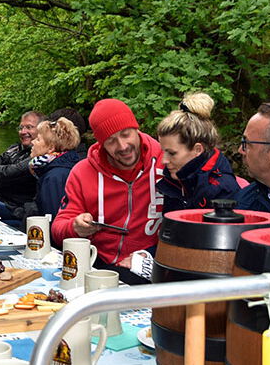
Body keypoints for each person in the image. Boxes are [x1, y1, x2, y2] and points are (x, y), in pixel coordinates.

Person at [51, 99, 164, 285]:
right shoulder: (82, 172)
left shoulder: (165, 160)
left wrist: (149, 255)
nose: (122, 146)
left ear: (137, 129)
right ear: (101, 143)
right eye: (111, 141)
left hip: (152, 265)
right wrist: (75, 227)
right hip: (99, 266)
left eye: (126, 134)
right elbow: (58, 228)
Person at [155, 92, 239, 212]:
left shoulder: (223, 190)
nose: (164, 160)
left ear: (197, 150)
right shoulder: (176, 179)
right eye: (163, 152)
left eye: (172, 153)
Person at [0, 111, 45, 229]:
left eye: (29, 127)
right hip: (0, 204)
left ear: (42, 130)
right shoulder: (14, 149)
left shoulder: (39, 157)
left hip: (15, 211)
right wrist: (0, 177)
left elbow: (12, 173)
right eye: (21, 128)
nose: (23, 132)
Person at [25, 117, 86, 219]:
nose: (33, 142)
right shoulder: (60, 167)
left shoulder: (54, 177)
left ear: (51, 147)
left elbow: (52, 218)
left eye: (38, 139)